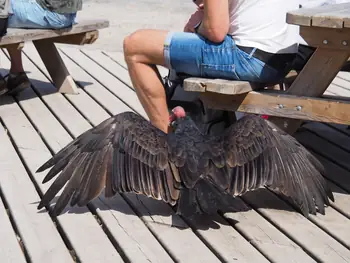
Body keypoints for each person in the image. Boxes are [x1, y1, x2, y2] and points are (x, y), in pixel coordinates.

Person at [123, 0, 300, 134]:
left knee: (135, 46)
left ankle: (164, 142)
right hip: (282, 59)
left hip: (250, 57)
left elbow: (215, 31)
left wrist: (197, 25)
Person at [0, 0, 82, 97]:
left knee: (5, 10)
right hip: (69, 15)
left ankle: (12, 76)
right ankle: (16, 73)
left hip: (52, 14)